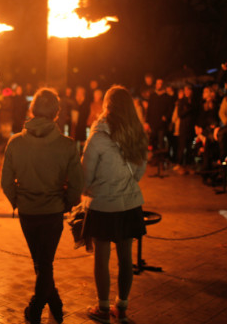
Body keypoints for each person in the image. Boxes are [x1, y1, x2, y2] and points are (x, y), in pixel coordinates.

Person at [1, 88, 82, 324]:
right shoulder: (67, 145)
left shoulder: (16, 143)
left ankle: (39, 307)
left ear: (32, 110)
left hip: (28, 211)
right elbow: (78, 183)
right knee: (45, 262)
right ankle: (46, 306)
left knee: (42, 262)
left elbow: (6, 181)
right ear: (56, 113)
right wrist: (67, 203)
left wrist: (17, 200)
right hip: (54, 210)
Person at [81, 86, 148, 323]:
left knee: (102, 257)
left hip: (103, 205)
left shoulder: (98, 137)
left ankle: (102, 307)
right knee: (125, 257)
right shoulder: (137, 134)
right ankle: (122, 306)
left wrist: (89, 190)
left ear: (106, 106)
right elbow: (139, 170)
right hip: (129, 204)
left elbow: (85, 176)